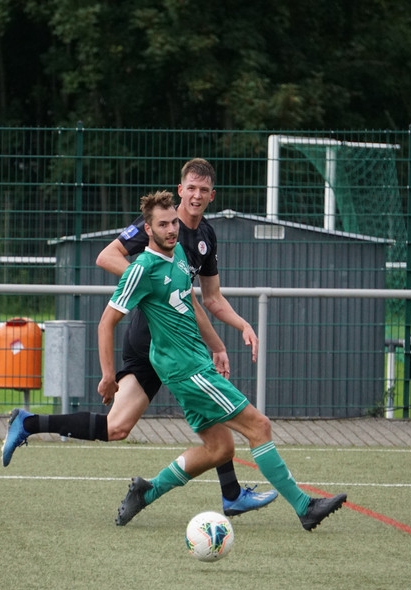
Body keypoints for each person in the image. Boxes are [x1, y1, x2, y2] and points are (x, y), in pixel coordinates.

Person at [2, 158, 278, 517]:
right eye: (190, 188)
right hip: (148, 342)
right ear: (180, 191)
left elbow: (208, 299)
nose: (196, 196)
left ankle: (29, 422)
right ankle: (26, 423)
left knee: (131, 425)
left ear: (212, 195)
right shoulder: (160, 225)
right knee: (122, 426)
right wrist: (148, 280)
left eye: (203, 190)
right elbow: (107, 256)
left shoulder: (206, 236)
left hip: (179, 347)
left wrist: (237, 329)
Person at [101, 190, 346, 530]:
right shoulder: (142, 268)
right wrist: (108, 375)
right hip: (187, 371)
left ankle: (147, 492)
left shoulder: (180, 256)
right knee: (259, 426)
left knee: (219, 448)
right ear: (147, 229)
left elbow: (198, 306)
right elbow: (106, 322)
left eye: (174, 221)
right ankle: (305, 507)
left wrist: (217, 345)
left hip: (192, 364)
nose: (172, 229)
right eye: (163, 224)